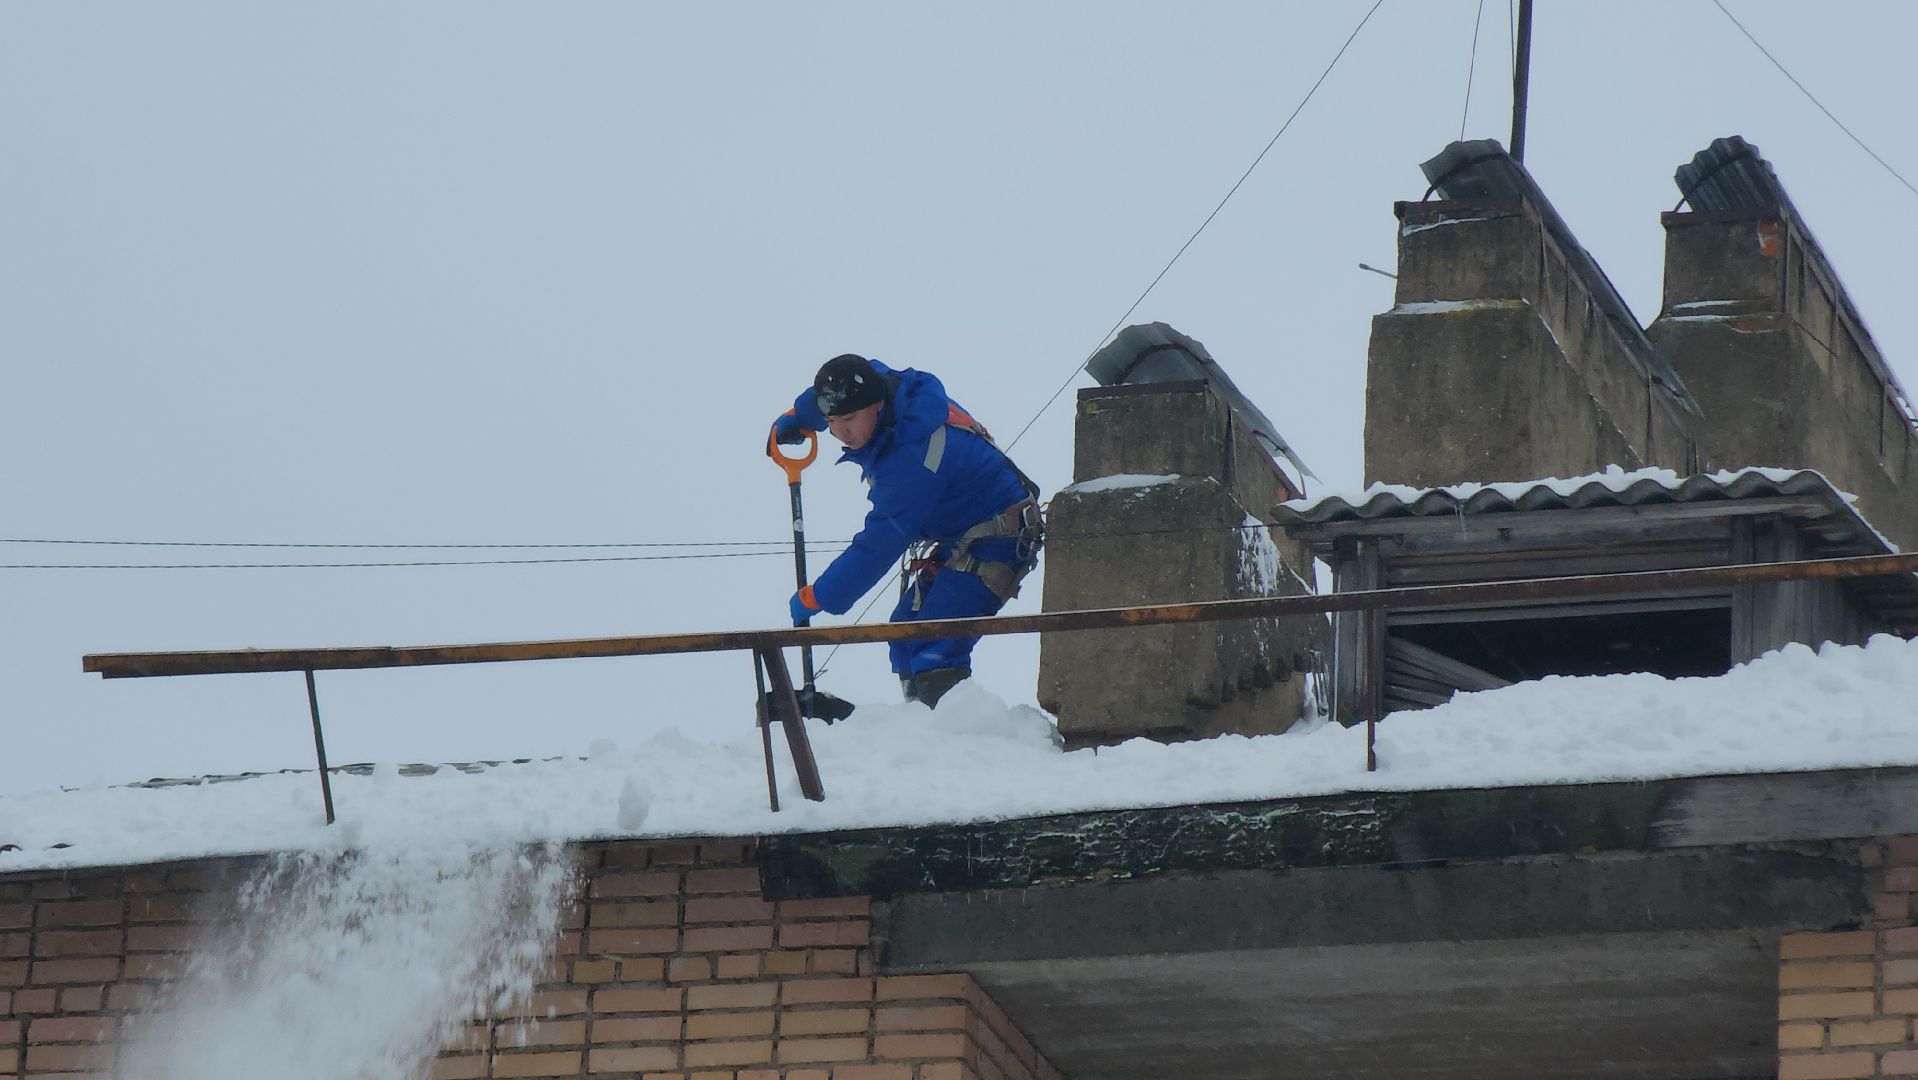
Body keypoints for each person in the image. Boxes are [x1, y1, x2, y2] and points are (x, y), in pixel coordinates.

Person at [772, 354, 1042, 707]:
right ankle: (921, 730)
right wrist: (799, 416)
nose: (841, 432)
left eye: (850, 419)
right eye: (832, 421)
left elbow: (880, 544)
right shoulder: (880, 385)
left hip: (1000, 538)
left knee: (933, 641)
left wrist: (820, 596)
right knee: (903, 634)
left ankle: (958, 741)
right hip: (960, 536)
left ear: (877, 406)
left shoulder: (913, 457)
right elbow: (838, 387)